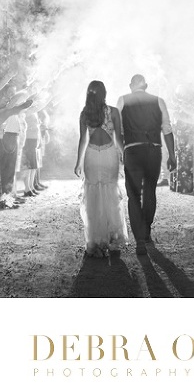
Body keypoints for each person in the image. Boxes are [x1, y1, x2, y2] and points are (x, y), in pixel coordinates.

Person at [117, 74, 176, 254]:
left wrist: (122, 152)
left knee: (133, 195)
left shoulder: (122, 101)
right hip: (153, 151)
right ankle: (147, 231)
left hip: (132, 151)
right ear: (146, 85)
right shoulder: (159, 101)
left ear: (130, 86)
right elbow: (167, 129)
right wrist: (172, 156)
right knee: (150, 191)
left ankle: (139, 240)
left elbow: (117, 130)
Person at [75, 80, 128, 258]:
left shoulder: (85, 114)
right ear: (104, 93)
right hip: (108, 155)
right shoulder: (113, 112)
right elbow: (119, 138)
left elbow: (83, 140)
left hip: (91, 155)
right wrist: (124, 154)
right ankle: (113, 239)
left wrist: (78, 162)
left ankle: (95, 242)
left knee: (93, 198)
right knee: (110, 194)